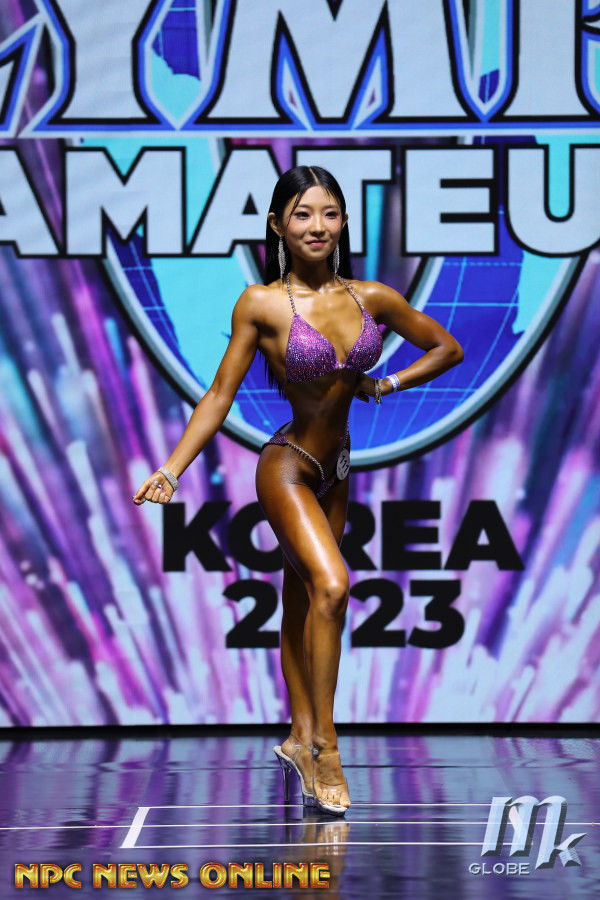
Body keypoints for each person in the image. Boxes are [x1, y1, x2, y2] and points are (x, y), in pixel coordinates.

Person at [132, 165, 464, 816]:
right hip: (287, 465)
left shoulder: (372, 297)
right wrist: (171, 469)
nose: (318, 226)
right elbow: (219, 395)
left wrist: (385, 383)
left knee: (303, 599)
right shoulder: (260, 303)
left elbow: (446, 348)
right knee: (334, 587)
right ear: (278, 225)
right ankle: (325, 747)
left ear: (344, 222)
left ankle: (296, 737)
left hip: (336, 468)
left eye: (330, 213)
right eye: (303, 214)